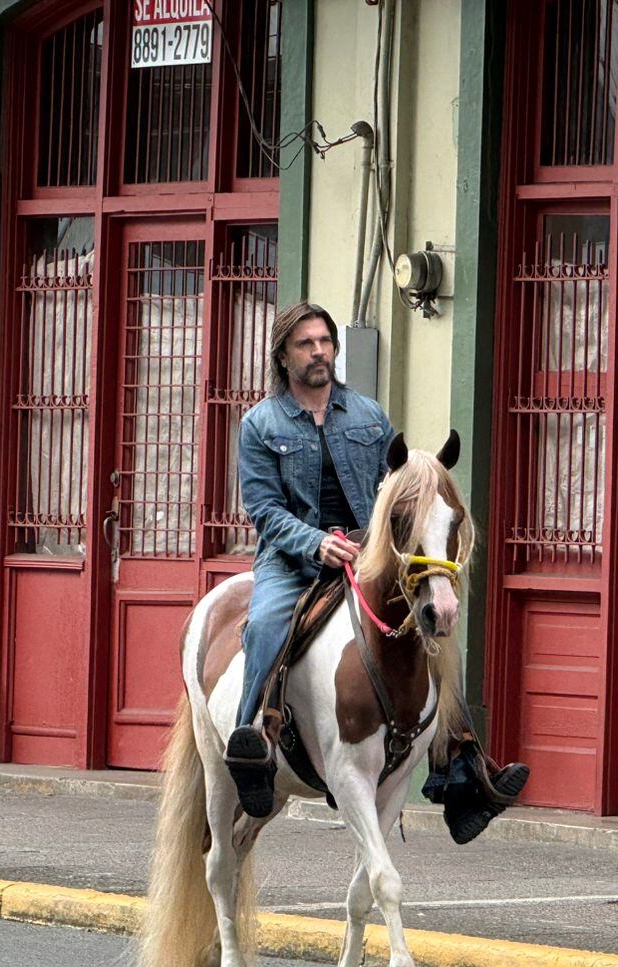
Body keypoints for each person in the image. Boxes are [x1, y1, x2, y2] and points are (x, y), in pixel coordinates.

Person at [224, 301, 528, 837]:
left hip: (369, 552)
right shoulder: (259, 424)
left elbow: (393, 492)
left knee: (430, 626)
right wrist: (315, 543)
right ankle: (256, 744)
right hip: (294, 557)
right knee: (267, 625)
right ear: (283, 355)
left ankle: (461, 765)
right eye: (306, 344)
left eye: (325, 341)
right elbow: (264, 509)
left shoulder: (367, 414)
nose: (319, 352)